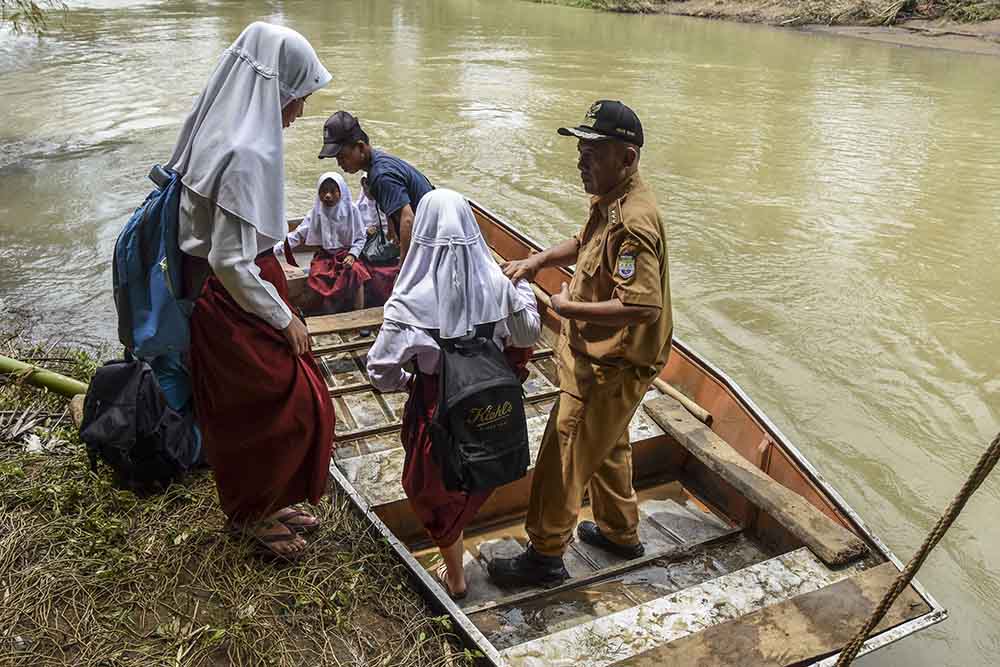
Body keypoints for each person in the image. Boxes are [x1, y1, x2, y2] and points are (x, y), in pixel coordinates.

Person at [166, 22, 335, 561]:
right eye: (299, 97)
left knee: (261, 409)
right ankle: (250, 515)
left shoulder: (219, 129)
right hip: (233, 301)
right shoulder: (245, 153)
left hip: (227, 295)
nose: (300, 111)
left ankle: (269, 501)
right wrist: (286, 319)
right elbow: (231, 261)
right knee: (285, 406)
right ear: (275, 88)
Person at [488, 100, 672, 586]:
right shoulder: (613, 201)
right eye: (581, 148)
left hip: (609, 364)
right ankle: (620, 532)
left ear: (627, 158)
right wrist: (537, 261)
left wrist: (569, 309)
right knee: (607, 443)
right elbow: (585, 243)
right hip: (611, 358)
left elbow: (643, 305)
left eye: (594, 151)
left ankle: (545, 554)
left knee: (564, 453)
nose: (581, 161)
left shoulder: (634, 221)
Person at [366, 189, 541, 599]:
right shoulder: (498, 284)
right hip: (490, 405)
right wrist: (525, 286)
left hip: (437, 409)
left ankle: (457, 578)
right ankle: (460, 567)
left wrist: (409, 384)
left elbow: (379, 371)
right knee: (473, 477)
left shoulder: (407, 302)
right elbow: (528, 332)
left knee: (437, 492)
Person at [318, 110, 433, 260]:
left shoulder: (381, 175)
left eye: (342, 157)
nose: (339, 163)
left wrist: (404, 265)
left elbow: (407, 219)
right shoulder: (378, 163)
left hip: (432, 234)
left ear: (360, 147)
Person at [278, 171, 369, 313]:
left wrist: (352, 255)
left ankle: (359, 313)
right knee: (316, 276)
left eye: (333, 191)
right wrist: (275, 249)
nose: (328, 196)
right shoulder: (316, 213)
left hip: (346, 254)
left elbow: (360, 237)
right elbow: (298, 235)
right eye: (324, 191)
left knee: (356, 272)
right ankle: (323, 312)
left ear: (341, 191)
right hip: (324, 256)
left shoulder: (352, 210)